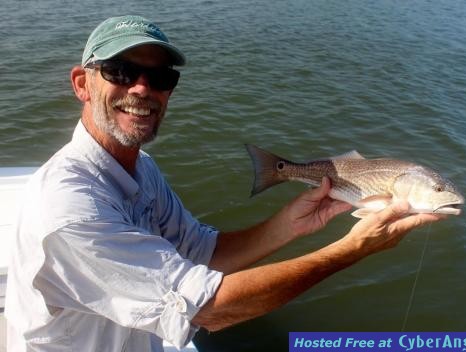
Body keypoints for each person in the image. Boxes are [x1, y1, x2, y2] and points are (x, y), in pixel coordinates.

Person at [5, 15, 443, 351]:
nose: (142, 88)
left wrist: (292, 223)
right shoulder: (68, 210)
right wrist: (353, 249)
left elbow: (204, 252)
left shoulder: (140, 168)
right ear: (82, 83)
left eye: (160, 78)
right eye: (120, 71)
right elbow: (209, 309)